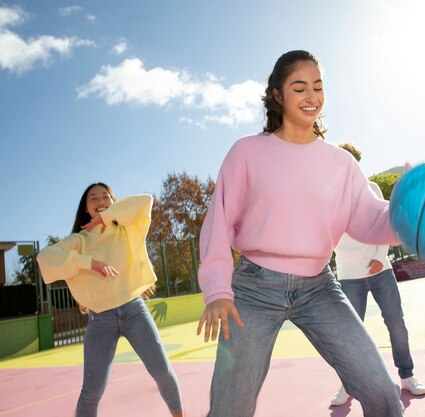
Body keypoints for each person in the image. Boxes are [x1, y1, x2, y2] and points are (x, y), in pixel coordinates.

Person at [196, 50, 405, 417]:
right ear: (277, 95)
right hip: (253, 290)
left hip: (319, 288)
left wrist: (411, 209)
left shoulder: (341, 163)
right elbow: (218, 221)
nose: (312, 97)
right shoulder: (247, 152)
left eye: (318, 87)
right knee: (229, 409)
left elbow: (372, 220)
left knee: (383, 393)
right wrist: (217, 289)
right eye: (299, 87)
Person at [37, 183, 184, 417]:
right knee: (92, 391)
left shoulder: (126, 228)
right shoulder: (80, 240)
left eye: (106, 196)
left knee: (162, 372)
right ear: (86, 208)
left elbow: (145, 200)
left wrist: (108, 217)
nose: (100, 201)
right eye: (93, 198)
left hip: (134, 310)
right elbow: (45, 258)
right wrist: (88, 262)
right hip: (101, 319)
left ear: (114, 202)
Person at [329, 143, 425, 406]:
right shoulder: (328, 197)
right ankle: (348, 385)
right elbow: (330, 238)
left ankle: (407, 376)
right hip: (349, 277)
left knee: (396, 324)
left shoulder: (371, 188)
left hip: (380, 271)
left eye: (355, 161)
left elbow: (386, 221)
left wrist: (378, 257)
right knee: (350, 334)